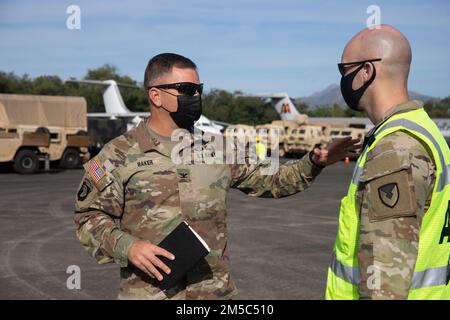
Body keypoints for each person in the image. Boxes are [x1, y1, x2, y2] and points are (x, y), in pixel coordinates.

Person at [74, 53, 359, 300]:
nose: (196, 96)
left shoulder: (221, 148)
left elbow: (273, 180)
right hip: (148, 293)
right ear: (155, 95)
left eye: (199, 89)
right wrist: (129, 247)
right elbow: (88, 216)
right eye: (186, 89)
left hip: (214, 293)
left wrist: (315, 161)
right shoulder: (119, 153)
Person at [326, 25, 450, 300]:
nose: (342, 81)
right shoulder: (425, 130)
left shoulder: (395, 149)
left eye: (344, 71)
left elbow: (384, 280)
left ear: (366, 71)